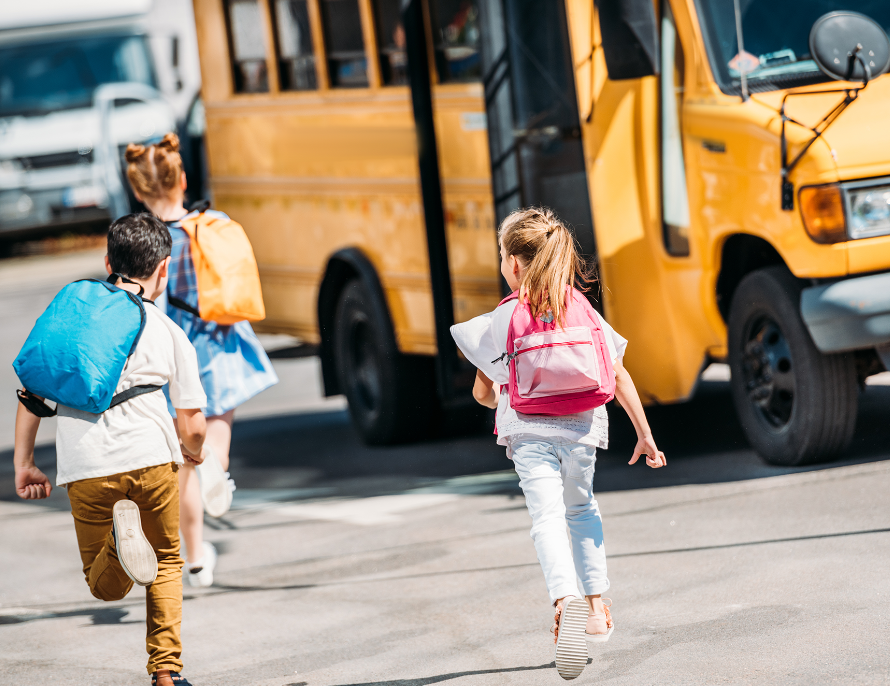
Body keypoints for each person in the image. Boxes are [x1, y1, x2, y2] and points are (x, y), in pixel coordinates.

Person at [450, 207, 667, 680]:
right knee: (581, 509)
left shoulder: (503, 317)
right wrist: (645, 435)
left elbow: (484, 392)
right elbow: (618, 372)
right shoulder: (581, 307)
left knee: (545, 518)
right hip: (582, 430)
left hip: (529, 433)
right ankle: (594, 606)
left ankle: (563, 598)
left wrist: (500, 392)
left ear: (511, 264)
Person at [13, 214, 208, 686]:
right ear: (163, 269)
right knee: (165, 560)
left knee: (103, 586)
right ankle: (167, 673)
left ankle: (120, 550)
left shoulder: (74, 326)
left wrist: (25, 462)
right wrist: (192, 452)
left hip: (88, 465)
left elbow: (33, 394)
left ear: (107, 262)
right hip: (152, 458)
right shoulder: (167, 330)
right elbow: (194, 422)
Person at [124, 133, 278, 587]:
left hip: (167, 353)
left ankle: (194, 560)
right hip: (218, 343)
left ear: (137, 190)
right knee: (215, 436)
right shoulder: (215, 223)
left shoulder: (140, 239)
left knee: (182, 463)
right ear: (182, 177)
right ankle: (217, 466)